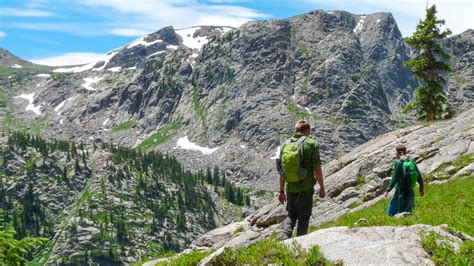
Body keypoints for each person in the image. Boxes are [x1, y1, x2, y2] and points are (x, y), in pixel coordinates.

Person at [276, 120, 325, 239]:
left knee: (291, 214)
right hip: (306, 188)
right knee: (304, 216)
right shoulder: (311, 144)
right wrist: (322, 187)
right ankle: (300, 244)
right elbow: (317, 169)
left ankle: (285, 240)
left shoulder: (284, 146)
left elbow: (282, 171)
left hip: (290, 187)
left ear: (295, 130)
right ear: (307, 131)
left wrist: (281, 191)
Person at [384, 144, 424, 216]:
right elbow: (419, 177)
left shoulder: (398, 162)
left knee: (390, 213)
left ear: (397, 153)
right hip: (410, 191)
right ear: (405, 152)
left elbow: (394, 179)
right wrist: (421, 190)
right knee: (408, 213)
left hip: (400, 191)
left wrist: (388, 190)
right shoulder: (412, 162)